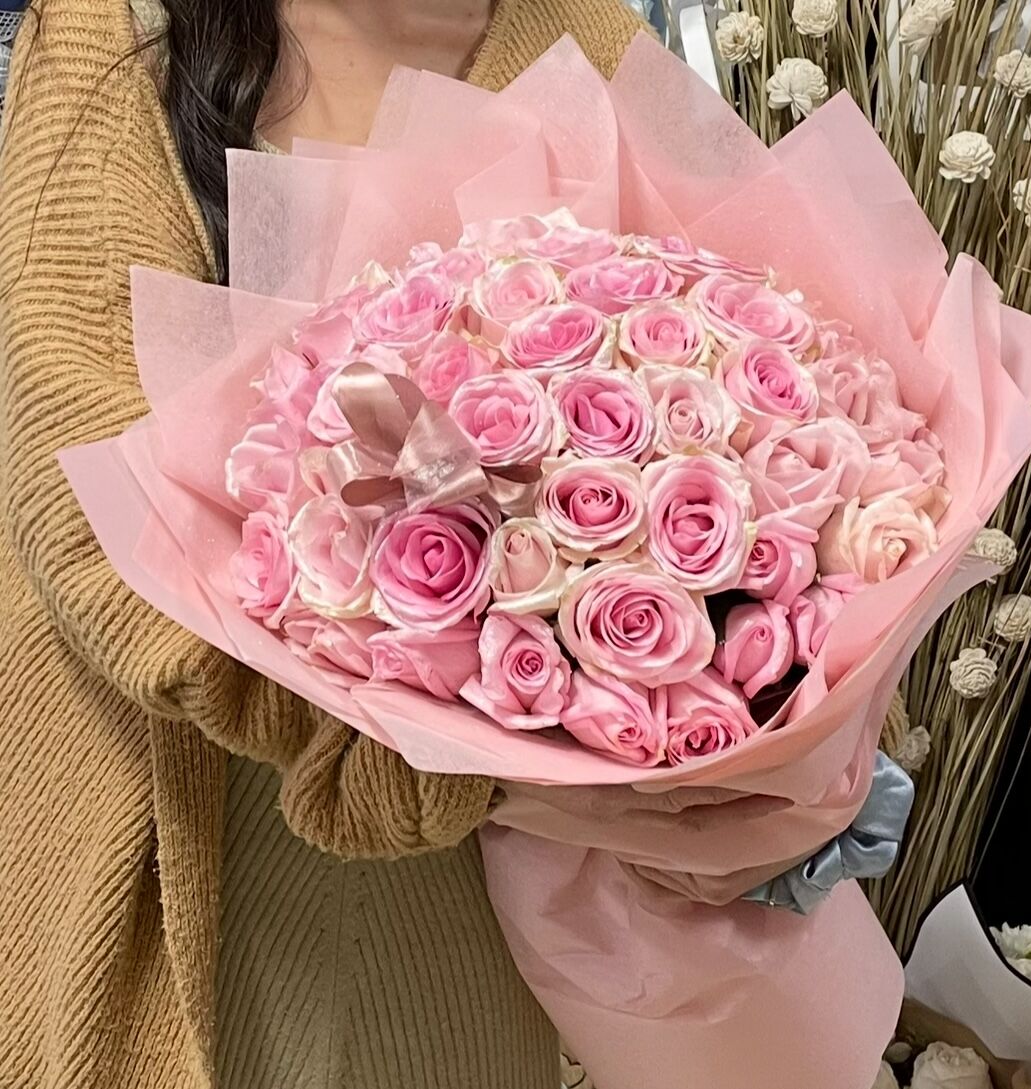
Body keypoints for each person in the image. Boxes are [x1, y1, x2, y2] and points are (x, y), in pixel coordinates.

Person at [0, 2, 644, 1087]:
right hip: (192, 808)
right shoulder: (115, 28)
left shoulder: (592, 39)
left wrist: (759, 718)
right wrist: (415, 760)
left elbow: (741, 394)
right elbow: (80, 481)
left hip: (481, 876)